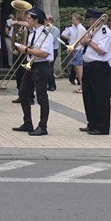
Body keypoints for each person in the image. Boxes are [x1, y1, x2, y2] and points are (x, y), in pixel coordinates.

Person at [12, 7, 54, 136]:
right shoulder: (32, 33)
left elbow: (44, 53)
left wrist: (26, 50)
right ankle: (28, 123)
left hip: (41, 67)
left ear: (36, 20)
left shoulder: (47, 34)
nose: (27, 20)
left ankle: (43, 126)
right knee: (23, 93)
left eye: (30, 18)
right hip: (32, 66)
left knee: (42, 97)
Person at [79, 8, 111, 135]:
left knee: (100, 97)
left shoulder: (105, 32)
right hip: (88, 65)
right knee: (88, 96)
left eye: (90, 19)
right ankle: (91, 123)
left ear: (97, 19)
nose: (88, 21)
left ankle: (102, 126)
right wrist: (84, 42)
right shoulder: (92, 31)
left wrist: (89, 41)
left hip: (99, 67)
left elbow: (102, 50)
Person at [62, 14, 87, 91]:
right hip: (74, 49)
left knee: (79, 69)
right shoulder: (75, 28)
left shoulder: (80, 28)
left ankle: (82, 86)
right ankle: (81, 86)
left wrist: (72, 47)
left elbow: (78, 40)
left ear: (78, 20)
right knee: (76, 68)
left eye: (73, 20)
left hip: (78, 49)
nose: (72, 21)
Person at [45, 15, 60, 91]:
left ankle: (52, 85)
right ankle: (48, 84)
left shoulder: (55, 29)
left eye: (46, 19)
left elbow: (52, 40)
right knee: (46, 68)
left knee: (49, 68)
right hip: (46, 50)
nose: (45, 21)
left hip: (53, 50)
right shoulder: (44, 28)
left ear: (50, 21)